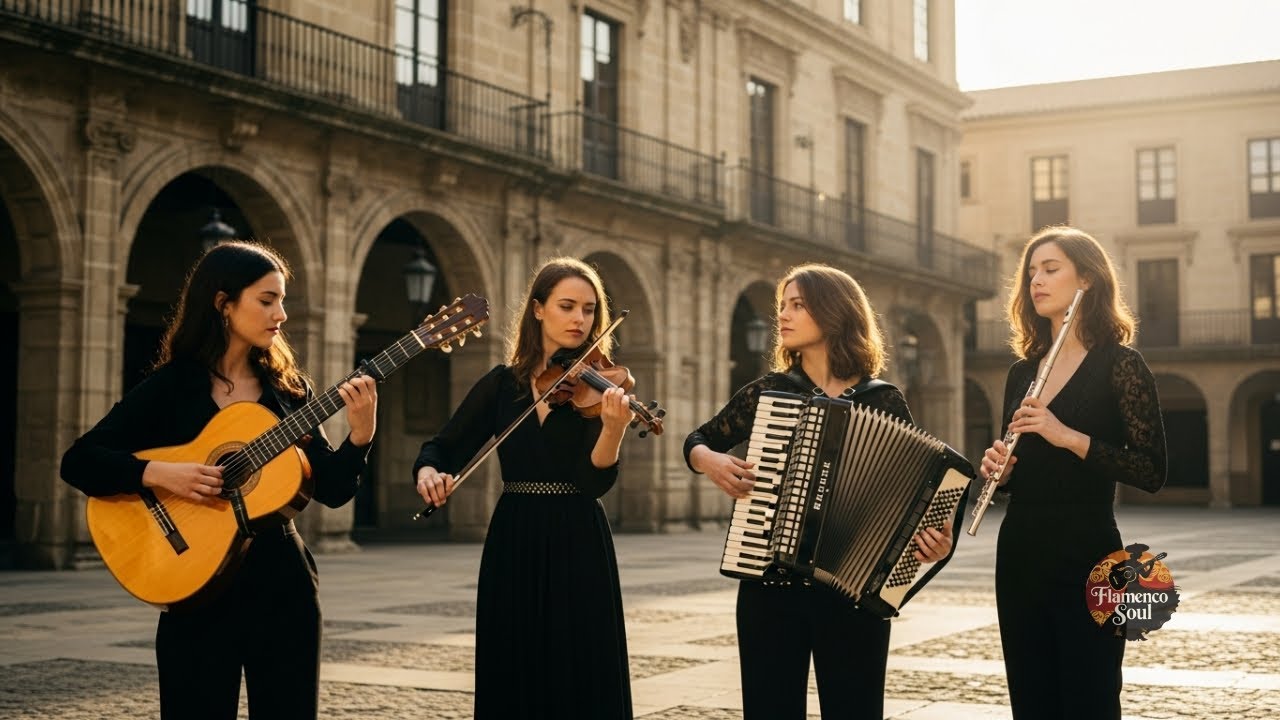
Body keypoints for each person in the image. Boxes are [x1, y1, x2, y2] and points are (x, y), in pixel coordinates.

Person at [60, 241, 377, 720]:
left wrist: (360, 436)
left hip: (282, 586)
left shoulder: (289, 392)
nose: (281, 315)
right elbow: (80, 461)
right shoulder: (172, 387)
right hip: (194, 588)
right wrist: (162, 473)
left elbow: (331, 490)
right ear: (223, 303)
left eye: (282, 301)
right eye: (267, 300)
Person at [684, 263, 958, 720]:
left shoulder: (883, 400)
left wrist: (935, 541)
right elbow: (698, 439)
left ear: (833, 312)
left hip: (853, 596)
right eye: (782, 305)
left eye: (797, 305)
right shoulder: (770, 392)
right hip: (769, 588)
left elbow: (916, 492)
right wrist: (709, 461)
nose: (783, 315)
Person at [413, 256, 636, 719]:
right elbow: (443, 446)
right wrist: (429, 472)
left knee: (578, 667)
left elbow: (594, 481)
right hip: (514, 535)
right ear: (538, 309)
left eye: (589, 310)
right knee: (513, 662)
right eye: (567, 306)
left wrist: (613, 430)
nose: (579, 319)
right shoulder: (502, 385)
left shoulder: (599, 385)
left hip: (578, 536)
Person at [978, 226, 1166, 720]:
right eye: (1031, 273)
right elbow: (1022, 468)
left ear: (1087, 278)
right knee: (1031, 698)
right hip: (1020, 550)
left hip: (1091, 550)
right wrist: (1000, 472)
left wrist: (1067, 436)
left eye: (1050, 269)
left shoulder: (1121, 365)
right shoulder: (1023, 372)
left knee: (1092, 697)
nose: (1035, 281)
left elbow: (1151, 469)